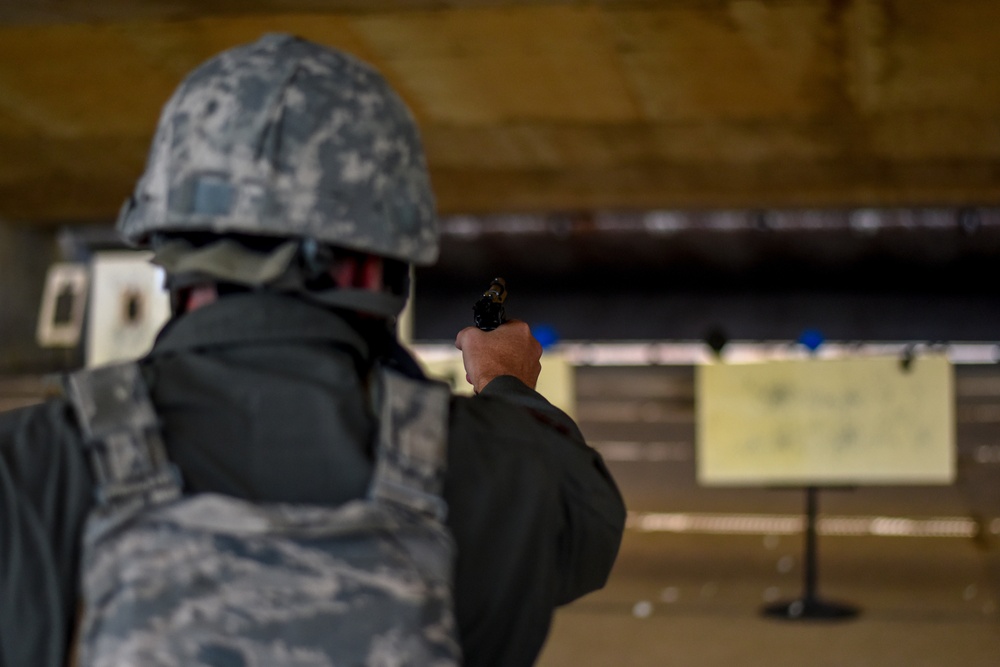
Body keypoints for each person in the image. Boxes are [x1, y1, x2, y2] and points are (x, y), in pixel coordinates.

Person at [0, 33, 625, 667]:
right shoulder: (497, 470)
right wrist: (506, 382)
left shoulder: (29, 467)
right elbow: (587, 512)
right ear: (379, 262)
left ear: (167, 242)